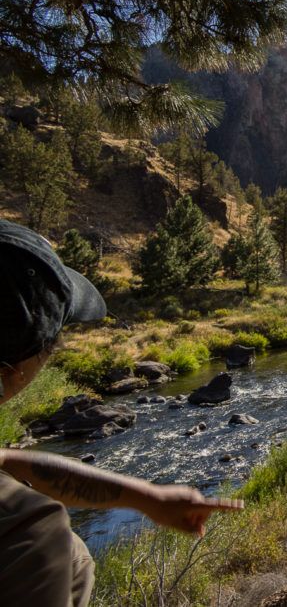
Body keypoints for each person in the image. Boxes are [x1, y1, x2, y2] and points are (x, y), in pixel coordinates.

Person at [0, 219, 242, 606]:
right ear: (23, 359)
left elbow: (7, 462)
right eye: (58, 336)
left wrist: (147, 497)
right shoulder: (27, 530)